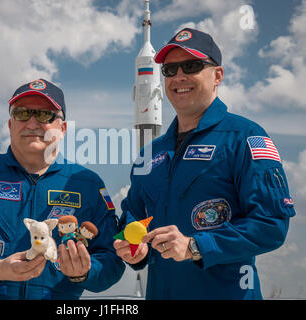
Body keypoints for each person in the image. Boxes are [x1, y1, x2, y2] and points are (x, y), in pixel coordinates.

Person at [114, 28, 296, 300]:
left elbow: (271, 224)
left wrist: (196, 246)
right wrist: (133, 246)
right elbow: (132, 214)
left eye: (192, 65)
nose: (179, 77)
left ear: (217, 76)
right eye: (170, 70)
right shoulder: (150, 154)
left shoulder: (246, 137)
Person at [0, 78, 125, 299]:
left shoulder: (88, 185)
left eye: (44, 115)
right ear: (10, 124)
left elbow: (112, 259)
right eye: (22, 113)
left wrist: (85, 272)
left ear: (62, 128)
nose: (32, 123)